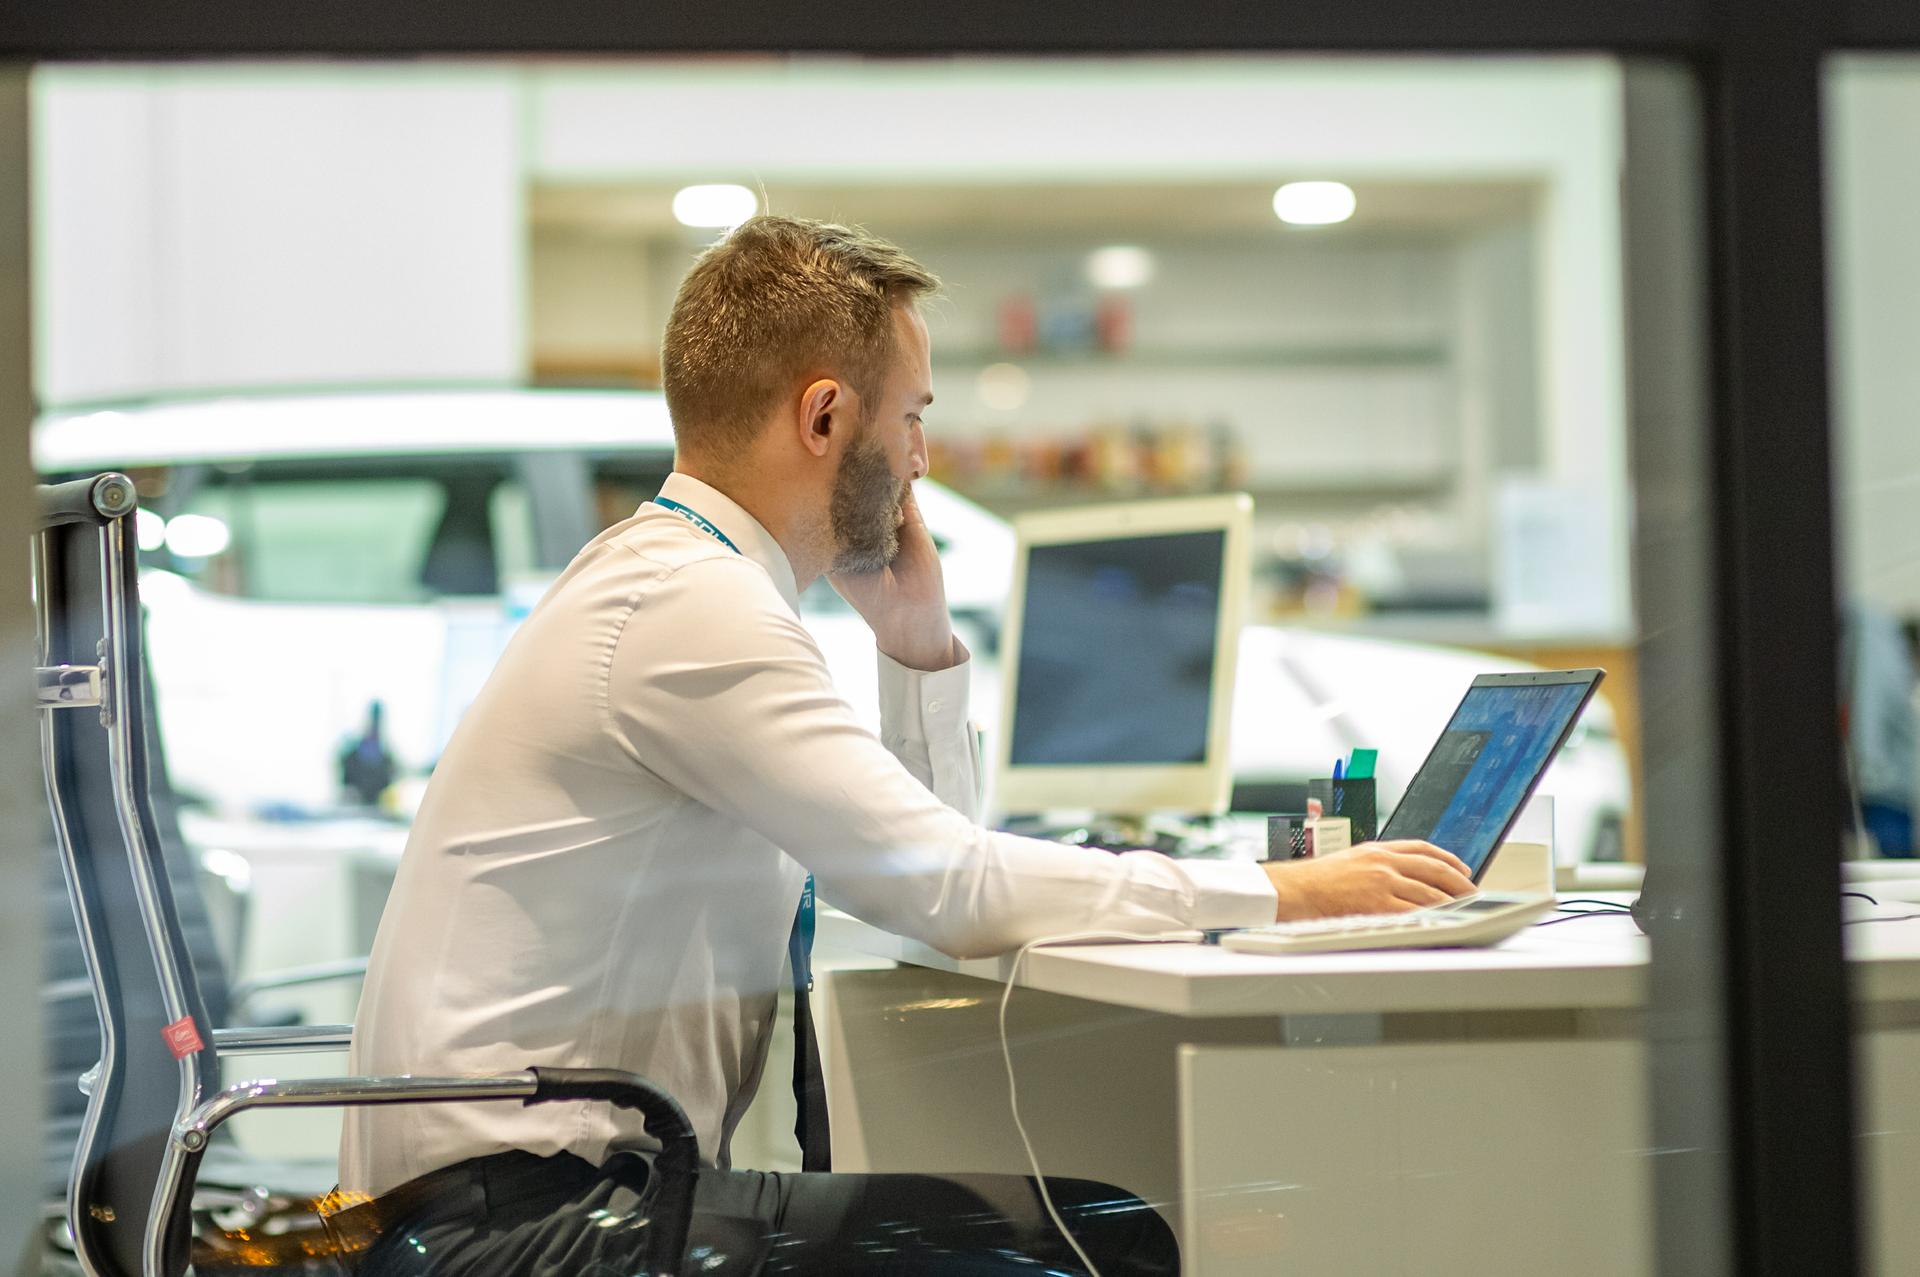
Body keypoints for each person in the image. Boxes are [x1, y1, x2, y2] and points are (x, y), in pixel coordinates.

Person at [334, 215, 1475, 1274]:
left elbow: (919, 871)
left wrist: (915, 646)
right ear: (826, 417)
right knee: (1100, 1240)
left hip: (520, 1205)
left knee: (1075, 1219)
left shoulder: (668, 576)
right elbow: (949, 890)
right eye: (914, 416)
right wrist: (1282, 891)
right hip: (521, 1229)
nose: (924, 457)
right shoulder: (693, 606)